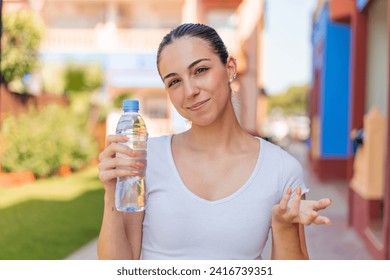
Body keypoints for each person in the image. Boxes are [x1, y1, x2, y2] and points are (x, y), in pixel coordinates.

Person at [97, 23, 332, 260]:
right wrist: (111, 195)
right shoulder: (146, 159)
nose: (189, 91)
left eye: (200, 70)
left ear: (230, 68)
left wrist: (283, 225)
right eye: (174, 81)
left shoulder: (281, 169)